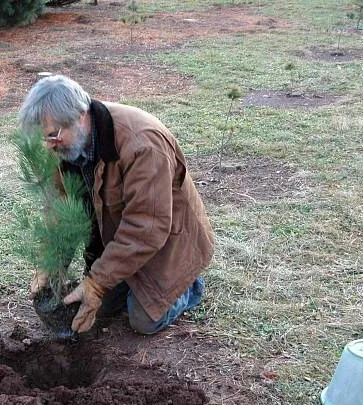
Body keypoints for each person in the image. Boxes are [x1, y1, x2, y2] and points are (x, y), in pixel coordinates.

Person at [18, 75, 215, 334]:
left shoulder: (142, 144)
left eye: (53, 136)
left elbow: (147, 227)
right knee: (100, 309)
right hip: (119, 236)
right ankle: (126, 279)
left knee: (144, 321)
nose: (48, 146)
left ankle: (187, 285)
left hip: (167, 242)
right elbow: (60, 208)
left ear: (79, 115)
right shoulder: (65, 146)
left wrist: (97, 284)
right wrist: (50, 261)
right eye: (43, 139)